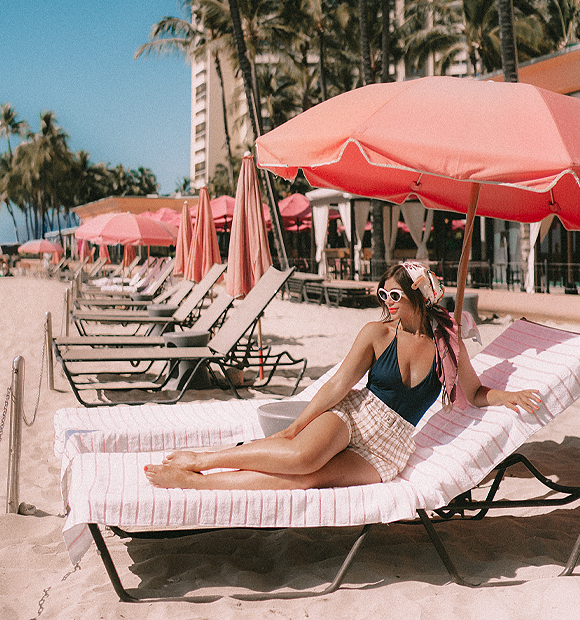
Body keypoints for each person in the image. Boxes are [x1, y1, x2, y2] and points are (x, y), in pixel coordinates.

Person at [145, 262, 540, 491]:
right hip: (354, 415)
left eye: (395, 295)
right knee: (301, 457)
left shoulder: (447, 345)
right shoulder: (377, 333)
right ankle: (202, 460)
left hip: (391, 446)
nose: (387, 302)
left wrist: (506, 396)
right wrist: (296, 426)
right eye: (383, 294)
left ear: (419, 297)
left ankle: (196, 483)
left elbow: (474, 391)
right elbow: (338, 384)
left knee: (306, 480)